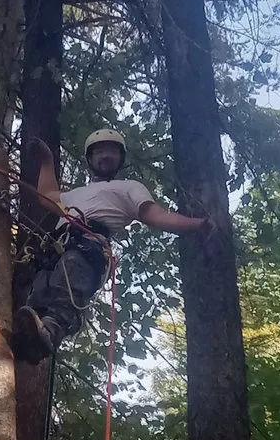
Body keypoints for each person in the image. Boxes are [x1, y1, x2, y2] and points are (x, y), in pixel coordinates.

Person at [11, 129, 214, 364]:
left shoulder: (129, 188)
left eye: (112, 151)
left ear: (120, 158)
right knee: (38, 291)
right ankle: (23, 342)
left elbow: (155, 215)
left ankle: (50, 331)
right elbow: (45, 195)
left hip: (88, 246)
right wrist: (47, 162)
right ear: (89, 159)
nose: (106, 156)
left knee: (68, 283)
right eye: (99, 151)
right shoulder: (75, 194)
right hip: (57, 246)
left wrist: (197, 225)